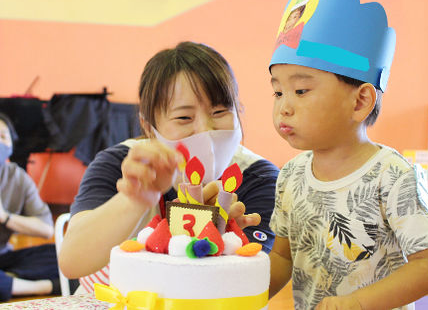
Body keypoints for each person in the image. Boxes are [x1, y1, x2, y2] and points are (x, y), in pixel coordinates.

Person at [267, 0, 428, 310]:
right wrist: (241, 290)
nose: (284, 106)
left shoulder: (393, 175)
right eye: (277, 91)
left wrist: (357, 303)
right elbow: (282, 255)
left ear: (360, 101)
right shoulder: (290, 176)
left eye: (301, 91)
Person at [58, 41, 279, 291]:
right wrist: (135, 199)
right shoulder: (123, 164)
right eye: (183, 117)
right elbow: (72, 261)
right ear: (147, 125)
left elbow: (238, 285)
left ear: (239, 111)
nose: (204, 130)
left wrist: (213, 228)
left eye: (219, 111)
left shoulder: (259, 177)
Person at [0, 113, 60, 302]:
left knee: (60, 254)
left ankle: (9, 282)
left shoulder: (17, 178)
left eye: (2, 136)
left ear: (11, 145)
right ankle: (42, 286)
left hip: (4, 256)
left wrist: (5, 217)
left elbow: (46, 228)